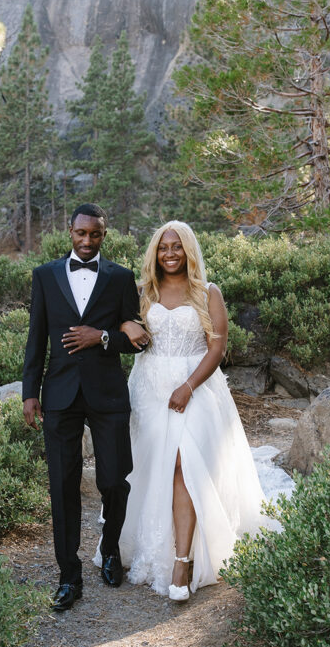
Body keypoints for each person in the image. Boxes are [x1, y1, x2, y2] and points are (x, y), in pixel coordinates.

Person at [112, 221, 267, 601]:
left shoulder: (207, 292)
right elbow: (116, 321)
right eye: (163, 247)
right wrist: (125, 324)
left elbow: (217, 348)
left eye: (177, 247)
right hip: (149, 388)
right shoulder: (142, 292)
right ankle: (156, 547)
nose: (170, 253)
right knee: (154, 467)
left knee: (183, 463)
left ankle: (182, 562)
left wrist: (188, 386)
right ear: (155, 252)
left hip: (195, 387)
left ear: (188, 251)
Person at [22, 204, 147, 612]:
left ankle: (110, 548)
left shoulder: (120, 278)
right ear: (70, 232)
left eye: (95, 234)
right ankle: (68, 576)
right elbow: (36, 338)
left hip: (108, 394)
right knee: (62, 485)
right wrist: (29, 391)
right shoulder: (45, 276)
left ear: (104, 235)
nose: (87, 241)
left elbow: (136, 339)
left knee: (114, 480)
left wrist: (103, 337)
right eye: (81, 233)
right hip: (59, 394)